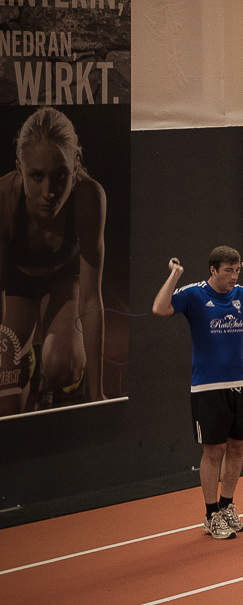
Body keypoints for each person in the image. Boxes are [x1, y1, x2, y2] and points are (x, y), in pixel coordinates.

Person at [152, 247, 243, 539]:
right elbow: (160, 308)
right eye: (229, 271)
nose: (234, 276)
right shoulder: (194, 295)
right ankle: (210, 514)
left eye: (237, 270)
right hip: (208, 388)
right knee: (214, 451)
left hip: (241, 384)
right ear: (213, 270)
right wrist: (175, 275)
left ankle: (227, 506)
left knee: (237, 448)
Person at [0, 106, 107, 417]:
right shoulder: (4, 199)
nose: (50, 191)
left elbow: (90, 298)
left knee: (64, 367)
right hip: (16, 287)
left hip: (63, 282)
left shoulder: (88, 197)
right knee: (7, 406)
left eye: (60, 175)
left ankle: (51, 373)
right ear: (19, 167)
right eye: (37, 176)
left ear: (74, 167)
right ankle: (28, 359)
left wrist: (97, 395)